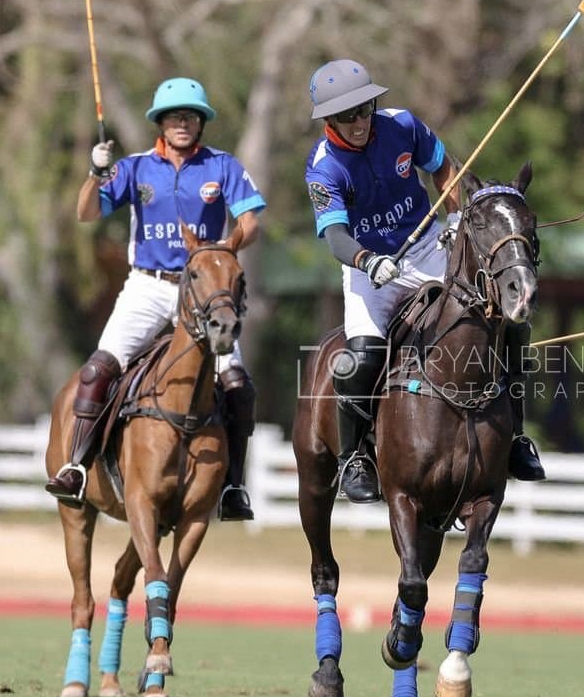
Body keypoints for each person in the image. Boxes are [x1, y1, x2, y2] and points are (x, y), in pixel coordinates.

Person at [304, 59, 545, 504]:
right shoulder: (324, 167)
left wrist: (454, 215)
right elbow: (335, 236)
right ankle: (355, 457)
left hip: (430, 247)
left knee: (505, 322)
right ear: (329, 120)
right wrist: (367, 260)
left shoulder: (403, 126)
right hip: (370, 268)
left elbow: (444, 168)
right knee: (360, 357)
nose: (357, 122)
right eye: (345, 116)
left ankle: (515, 437)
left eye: (363, 109)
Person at [45, 77, 266, 522]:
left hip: (205, 289)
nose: (183, 123)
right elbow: (86, 213)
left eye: (190, 116)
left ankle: (233, 488)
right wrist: (95, 173)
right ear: (160, 123)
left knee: (238, 386)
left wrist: (223, 251)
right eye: (174, 116)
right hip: (149, 285)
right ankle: (77, 467)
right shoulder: (136, 167)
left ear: (201, 122)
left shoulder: (223, 166)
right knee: (97, 371)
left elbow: (251, 220)